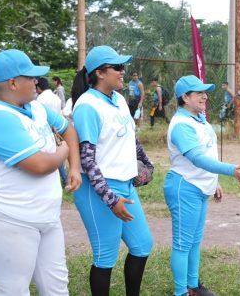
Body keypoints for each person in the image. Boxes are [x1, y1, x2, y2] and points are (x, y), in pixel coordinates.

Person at [0, 49, 81, 295]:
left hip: (45, 216)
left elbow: (68, 129)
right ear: (13, 83)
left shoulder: (35, 107)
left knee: (57, 287)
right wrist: (62, 152)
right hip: (6, 217)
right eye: (30, 77)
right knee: (13, 290)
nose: (36, 82)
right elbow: (39, 165)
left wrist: (75, 167)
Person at [71, 45, 153, 296]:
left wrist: (147, 164)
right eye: (117, 67)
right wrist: (110, 199)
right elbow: (87, 160)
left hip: (125, 185)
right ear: (99, 73)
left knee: (142, 245)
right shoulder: (87, 106)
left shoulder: (118, 99)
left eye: (123, 67)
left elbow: (131, 138)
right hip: (99, 189)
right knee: (106, 255)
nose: (123, 72)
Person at [164, 75, 240, 296]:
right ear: (185, 97)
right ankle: (180, 292)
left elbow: (207, 153)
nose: (205, 96)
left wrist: (215, 182)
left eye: (206, 92)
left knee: (195, 242)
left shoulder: (198, 119)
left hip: (199, 187)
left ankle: (193, 286)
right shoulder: (181, 125)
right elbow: (197, 158)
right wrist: (232, 170)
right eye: (199, 92)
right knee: (183, 244)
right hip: (184, 187)